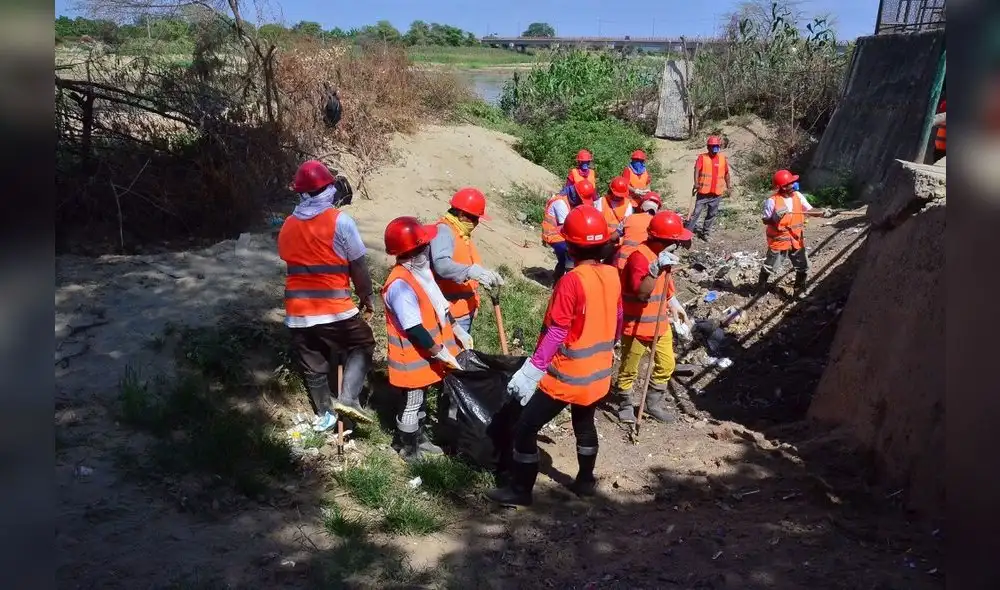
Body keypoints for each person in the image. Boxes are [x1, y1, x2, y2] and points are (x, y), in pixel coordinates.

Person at [488, 206, 623, 506]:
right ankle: (586, 481)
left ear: (570, 246)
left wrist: (532, 370)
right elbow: (618, 319)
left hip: (567, 375)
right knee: (584, 423)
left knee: (525, 427)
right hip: (598, 372)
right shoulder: (612, 275)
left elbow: (558, 331)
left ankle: (520, 491)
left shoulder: (571, 281)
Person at [277, 160, 377, 432]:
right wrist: (366, 296)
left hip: (297, 312)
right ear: (328, 188)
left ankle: (325, 414)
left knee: (314, 364)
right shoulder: (340, 221)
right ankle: (349, 399)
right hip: (333, 309)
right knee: (363, 343)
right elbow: (357, 265)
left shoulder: (287, 225)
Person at [382, 216, 472, 462]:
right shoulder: (400, 286)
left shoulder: (422, 273)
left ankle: (420, 439)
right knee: (412, 402)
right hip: (414, 355)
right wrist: (439, 351)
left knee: (421, 401)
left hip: (427, 354)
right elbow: (414, 329)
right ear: (417, 250)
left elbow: (440, 308)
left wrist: (458, 331)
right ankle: (408, 448)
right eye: (426, 244)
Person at [614, 211, 693, 424]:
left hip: (659, 324)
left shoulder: (662, 258)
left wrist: (676, 305)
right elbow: (641, 293)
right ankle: (625, 403)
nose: (677, 246)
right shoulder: (639, 257)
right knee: (629, 369)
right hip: (637, 325)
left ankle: (653, 403)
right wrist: (654, 270)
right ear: (663, 240)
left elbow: (666, 288)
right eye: (675, 241)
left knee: (667, 365)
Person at [430, 188, 505, 333]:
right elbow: (441, 265)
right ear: (462, 214)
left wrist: (475, 301)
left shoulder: (461, 232)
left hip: (464, 310)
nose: (477, 223)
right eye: (475, 218)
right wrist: (469, 271)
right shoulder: (444, 231)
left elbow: (467, 264)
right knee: (456, 355)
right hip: (452, 314)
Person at [757, 170, 832, 298]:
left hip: (796, 239)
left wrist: (822, 212)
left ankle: (799, 290)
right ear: (781, 187)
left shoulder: (798, 196)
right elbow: (765, 220)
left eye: (792, 183)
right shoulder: (772, 201)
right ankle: (760, 288)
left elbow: (810, 210)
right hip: (780, 240)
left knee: (804, 266)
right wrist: (774, 217)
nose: (792, 186)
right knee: (771, 266)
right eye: (788, 184)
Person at [541, 179, 598, 283]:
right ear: (575, 194)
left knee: (569, 256)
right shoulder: (561, 203)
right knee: (570, 255)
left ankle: (559, 279)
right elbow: (568, 226)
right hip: (554, 235)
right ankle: (564, 281)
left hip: (562, 233)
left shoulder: (570, 200)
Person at [686, 136, 732, 241]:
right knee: (696, 213)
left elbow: (726, 174)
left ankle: (706, 233)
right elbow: (697, 170)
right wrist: (696, 183)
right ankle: (688, 233)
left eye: (716, 146)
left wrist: (729, 187)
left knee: (711, 214)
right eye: (712, 146)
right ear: (708, 147)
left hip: (716, 193)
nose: (715, 148)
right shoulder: (702, 158)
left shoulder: (722, 159)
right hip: (703, 192)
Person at [614, 192, 661, 269]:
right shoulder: (658, 224)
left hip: (622, 264)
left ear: (641, 206)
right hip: (644, 267)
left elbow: (613, 237)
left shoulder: (629, 218)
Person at [601, 176, 634, 241]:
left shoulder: (628, 204)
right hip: (602, 236)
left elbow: (625, 223)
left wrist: (614, 236)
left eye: (621, 196)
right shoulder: (602, 201)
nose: (619, 197)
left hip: (618, 238)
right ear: (611, 190)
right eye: (617, 195)